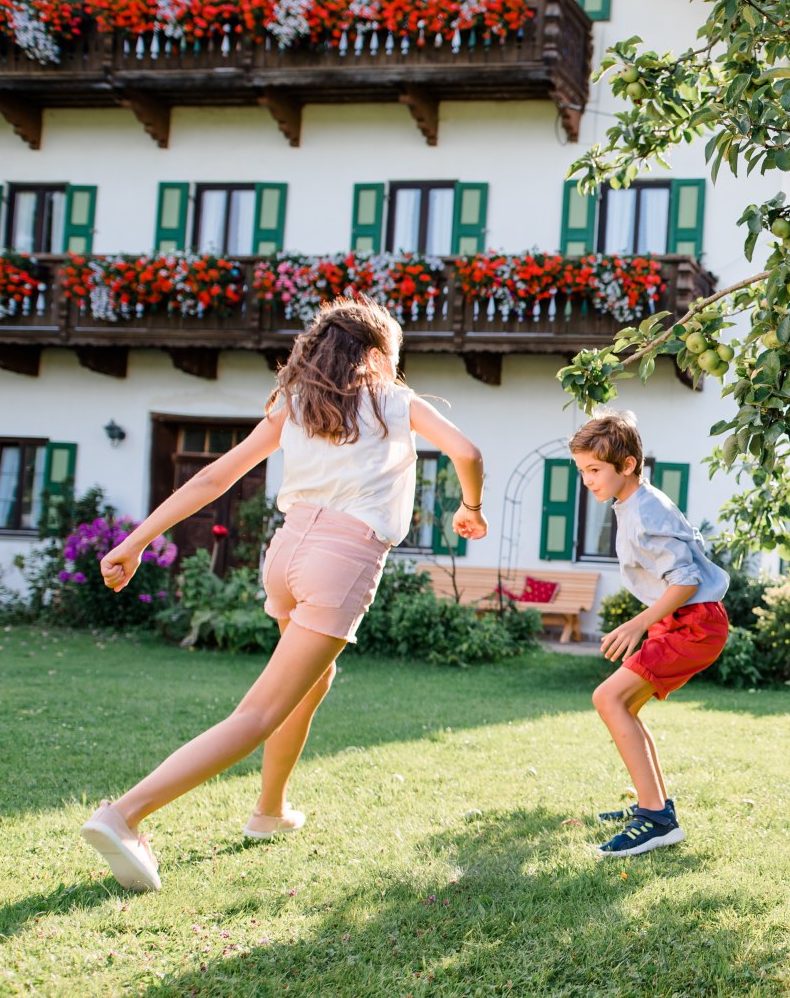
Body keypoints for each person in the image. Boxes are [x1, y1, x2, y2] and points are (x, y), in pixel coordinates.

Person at [79, 298, 487, 892]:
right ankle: (124, 815)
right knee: (260, 711)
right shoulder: (397, 402)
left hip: (287, 552)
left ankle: (269, 811)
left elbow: (213, 476)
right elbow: (468, 453)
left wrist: (136, 542)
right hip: (341, 558)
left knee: (310, 684)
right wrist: (470, 509)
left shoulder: (294, 405)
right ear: (376, 354)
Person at [573, 411, 731, 857]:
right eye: (582, 471)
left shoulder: (646, 510)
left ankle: (656, 818)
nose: (587, 481)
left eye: (594, 470)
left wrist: (639, 623)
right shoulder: (634, 502)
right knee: (622, 704)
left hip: (695, 623)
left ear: (627, 466)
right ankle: (656, 807)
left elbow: (684, 582)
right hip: (682, 620)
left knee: (608, 699)